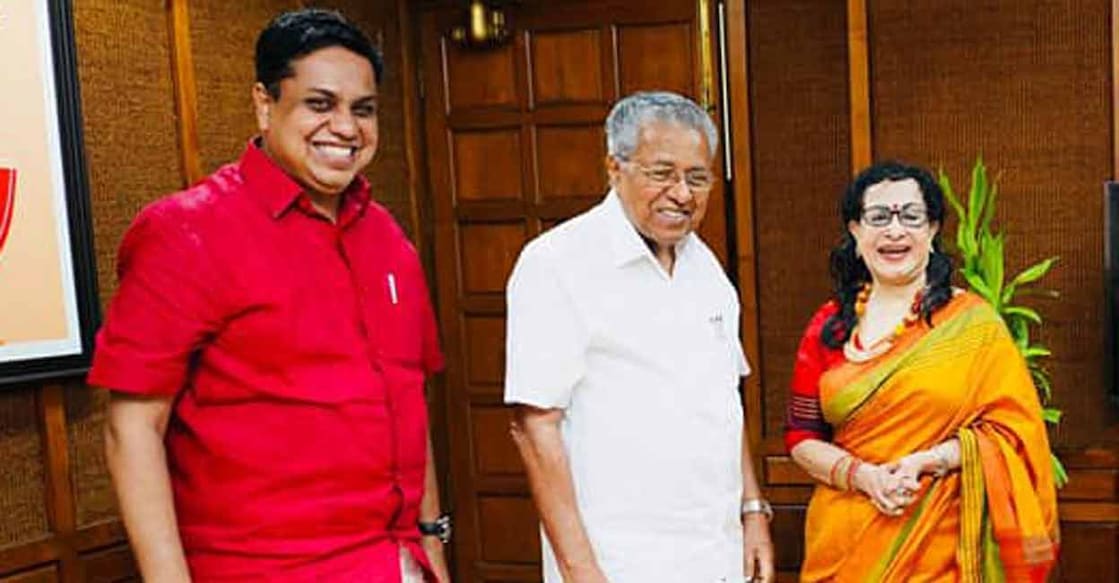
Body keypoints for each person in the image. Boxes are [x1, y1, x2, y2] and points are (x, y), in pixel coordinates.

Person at [90, 9, 450, 582]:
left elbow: (409, 400)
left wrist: (432, 544)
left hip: (397, 564)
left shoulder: (389, 240)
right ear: (264, 103)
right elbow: (131, 429)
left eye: (363, 109)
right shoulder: (186, 232)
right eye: (319, 104)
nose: (346, 127)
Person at [504, 91, 774, 583]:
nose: (682, 193)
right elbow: (534, 426)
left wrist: (752, 509)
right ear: (615, 168)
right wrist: (580, 570)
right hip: (619, 562)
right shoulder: (557, 263)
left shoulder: (706, 268)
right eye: (662, 173)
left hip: (718, 554)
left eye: (698, 178)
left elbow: (724, 400)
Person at [784, 161, 1059, 581]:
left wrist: (930, 461)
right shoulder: (828, 327)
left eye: (911, 216)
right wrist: (866, 478)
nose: (895, 230)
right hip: (845, 543)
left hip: (943, 550)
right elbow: (801, 436)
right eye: (879, 217)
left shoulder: (973, 326)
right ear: (855, 231)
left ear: (932, 230)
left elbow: (1012, 432)